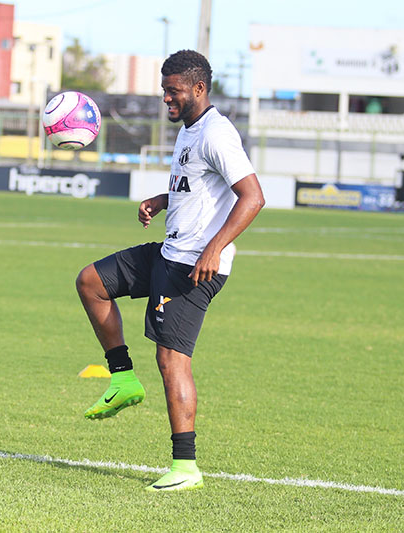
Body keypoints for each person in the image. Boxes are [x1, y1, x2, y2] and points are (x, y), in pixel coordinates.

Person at [75, 49, 265, 492]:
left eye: (173, 90)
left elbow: (252, 197)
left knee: (171, 359)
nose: (166, 99)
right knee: (91, 282)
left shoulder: (217, 134)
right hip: (170, 252)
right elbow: (197, 184)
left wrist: (214, 249)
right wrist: (163, 200)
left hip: (195, 267)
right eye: (164, 90)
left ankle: (186, 467)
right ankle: (121, 378)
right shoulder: (189, 130)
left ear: (199, 89)